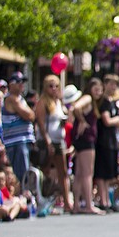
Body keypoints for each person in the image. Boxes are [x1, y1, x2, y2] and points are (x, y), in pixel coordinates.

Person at [34, 76, 74, 215]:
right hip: (47, 141)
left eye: (56, 86)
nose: (54, 89)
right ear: (45, 87)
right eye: (51, 86)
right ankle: (43, 202)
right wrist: (48, 142)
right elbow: (41, 124)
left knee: (63, 172)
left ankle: (67, 203)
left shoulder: (58, 102)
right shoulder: (43, 102)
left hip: (59, 140)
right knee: (45, 172)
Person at [93, 74, 119, 212]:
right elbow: (106, 120)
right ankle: (103, 200)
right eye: (111, 84)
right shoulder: (104, 102)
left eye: (116, 85)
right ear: (105, 85)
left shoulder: (112, 102)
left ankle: (108, 199)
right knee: (102, 173)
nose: (114, 87)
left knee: (109, 174)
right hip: (103, 141)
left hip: (112, 140)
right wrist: (118, 120)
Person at [70, 79, 103, 214]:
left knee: (79, 174)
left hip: (80, 140)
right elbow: (76, 107)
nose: (98, 92)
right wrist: (83, 121)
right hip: (86, 140)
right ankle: (89, 205)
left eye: (100, 90)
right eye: (96, 89)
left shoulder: (92, 101)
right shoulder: (87, 98)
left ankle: (76, 204)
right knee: (88, 173)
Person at [0, 71, 36, 186]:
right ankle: (23, 196)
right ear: (11, 84)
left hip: (22, 140)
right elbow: (29, 115)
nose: (22, 85)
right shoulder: (11, 99)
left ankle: (25, 195)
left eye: (23, 82)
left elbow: (31, 115)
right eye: (19, 82)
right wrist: (29, 113)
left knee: (26, 171)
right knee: (21, 173)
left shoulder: (20, 98)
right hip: (16, 142)